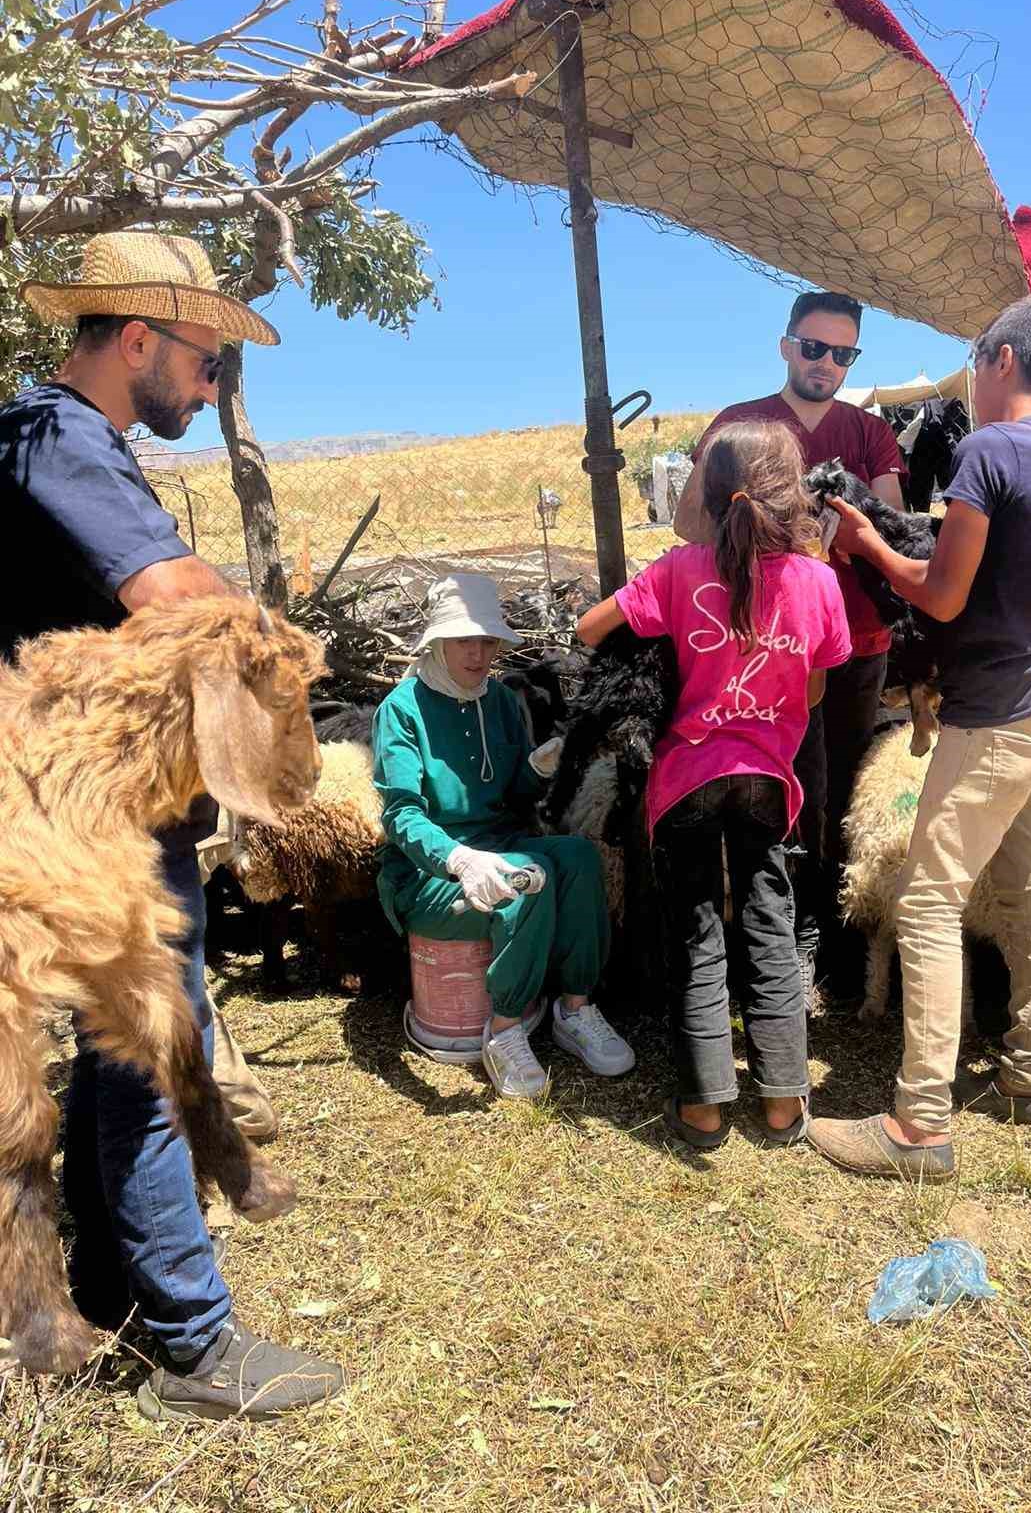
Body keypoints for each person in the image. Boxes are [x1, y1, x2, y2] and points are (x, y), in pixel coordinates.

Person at [3, 230, 345, 1419]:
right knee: (155, 1049)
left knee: (117, 1061)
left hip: (71, 804)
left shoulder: (67, 444)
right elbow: (172, 596)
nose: (211, 387)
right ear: (137, 338)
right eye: (207, 363)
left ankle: (116, 1287)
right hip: (91, 818)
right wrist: (249, 614)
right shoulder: (60, 440)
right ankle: (196, 1345)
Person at [807, 294, 1031, 1183]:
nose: (972, 381)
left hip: (993, 712)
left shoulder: (988, 450)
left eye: (977, 365)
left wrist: (864, 544)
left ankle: (919, 1127)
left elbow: (937, 597)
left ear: (1001, 360)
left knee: (929, 901)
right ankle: (1030, 1073)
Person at [578, 420, 851, 1147]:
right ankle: (784, 1102)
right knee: (770, 920)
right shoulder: (818, 581)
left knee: (696, 927)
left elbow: (587, 629)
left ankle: (703, 1108)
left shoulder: (678, 571)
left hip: (688, 776)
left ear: (709, 490)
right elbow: (817, 693)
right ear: (790, 494)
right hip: (767, 775)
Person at [673, 291, 905, 995]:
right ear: (785, 346)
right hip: (760, 650)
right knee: (778, 789)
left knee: (843, 781)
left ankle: (830, 934)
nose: (827, 364)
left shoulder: (869, 433)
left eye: (843, 353)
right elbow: (690, 524)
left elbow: (893, 525)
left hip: (856, 640)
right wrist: (776, 546)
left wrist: (857, 512)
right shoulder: (737, 428)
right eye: (814, 348)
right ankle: (778, 940)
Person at [374, 572, 635, 1100]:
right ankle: (505, 1029)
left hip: (502, 841)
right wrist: (459, 860)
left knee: (581, 858)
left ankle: (575, 1008)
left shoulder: (500, 700)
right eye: (464, 640)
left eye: (487, 641)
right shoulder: (401, 710)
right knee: (527, 880)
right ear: (437, 642)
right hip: (429, 871)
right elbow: (401, 816)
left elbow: (515, 794)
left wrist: (541, 766)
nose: (478, 653)